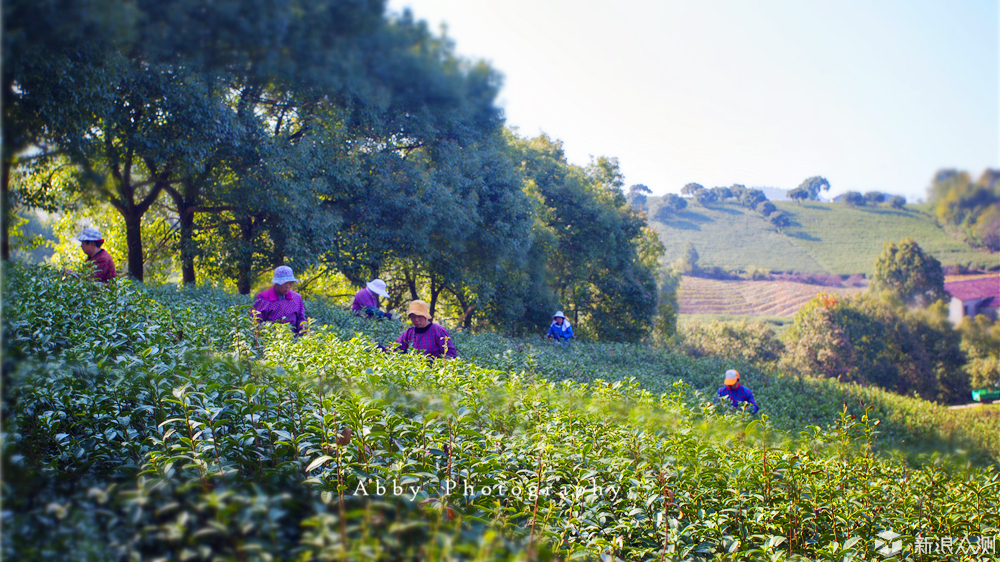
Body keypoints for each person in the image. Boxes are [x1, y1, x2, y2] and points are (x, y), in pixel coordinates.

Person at [391, 300, 457, 358]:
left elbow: (450, 355)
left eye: (419, 316)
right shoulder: (409, 332)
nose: (416, 320)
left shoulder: (438, 331)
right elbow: (394, 349)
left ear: (425, 316)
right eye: (413, 317)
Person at [253, 266, 308, 334]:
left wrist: (303, 328)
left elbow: (301, 318)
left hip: (293, 340)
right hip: (271, 340)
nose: (287, 286)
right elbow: (255, 323)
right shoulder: (264, 299)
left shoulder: (296, 298)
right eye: (284, 283)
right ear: (277, 283)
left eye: (290, 283)